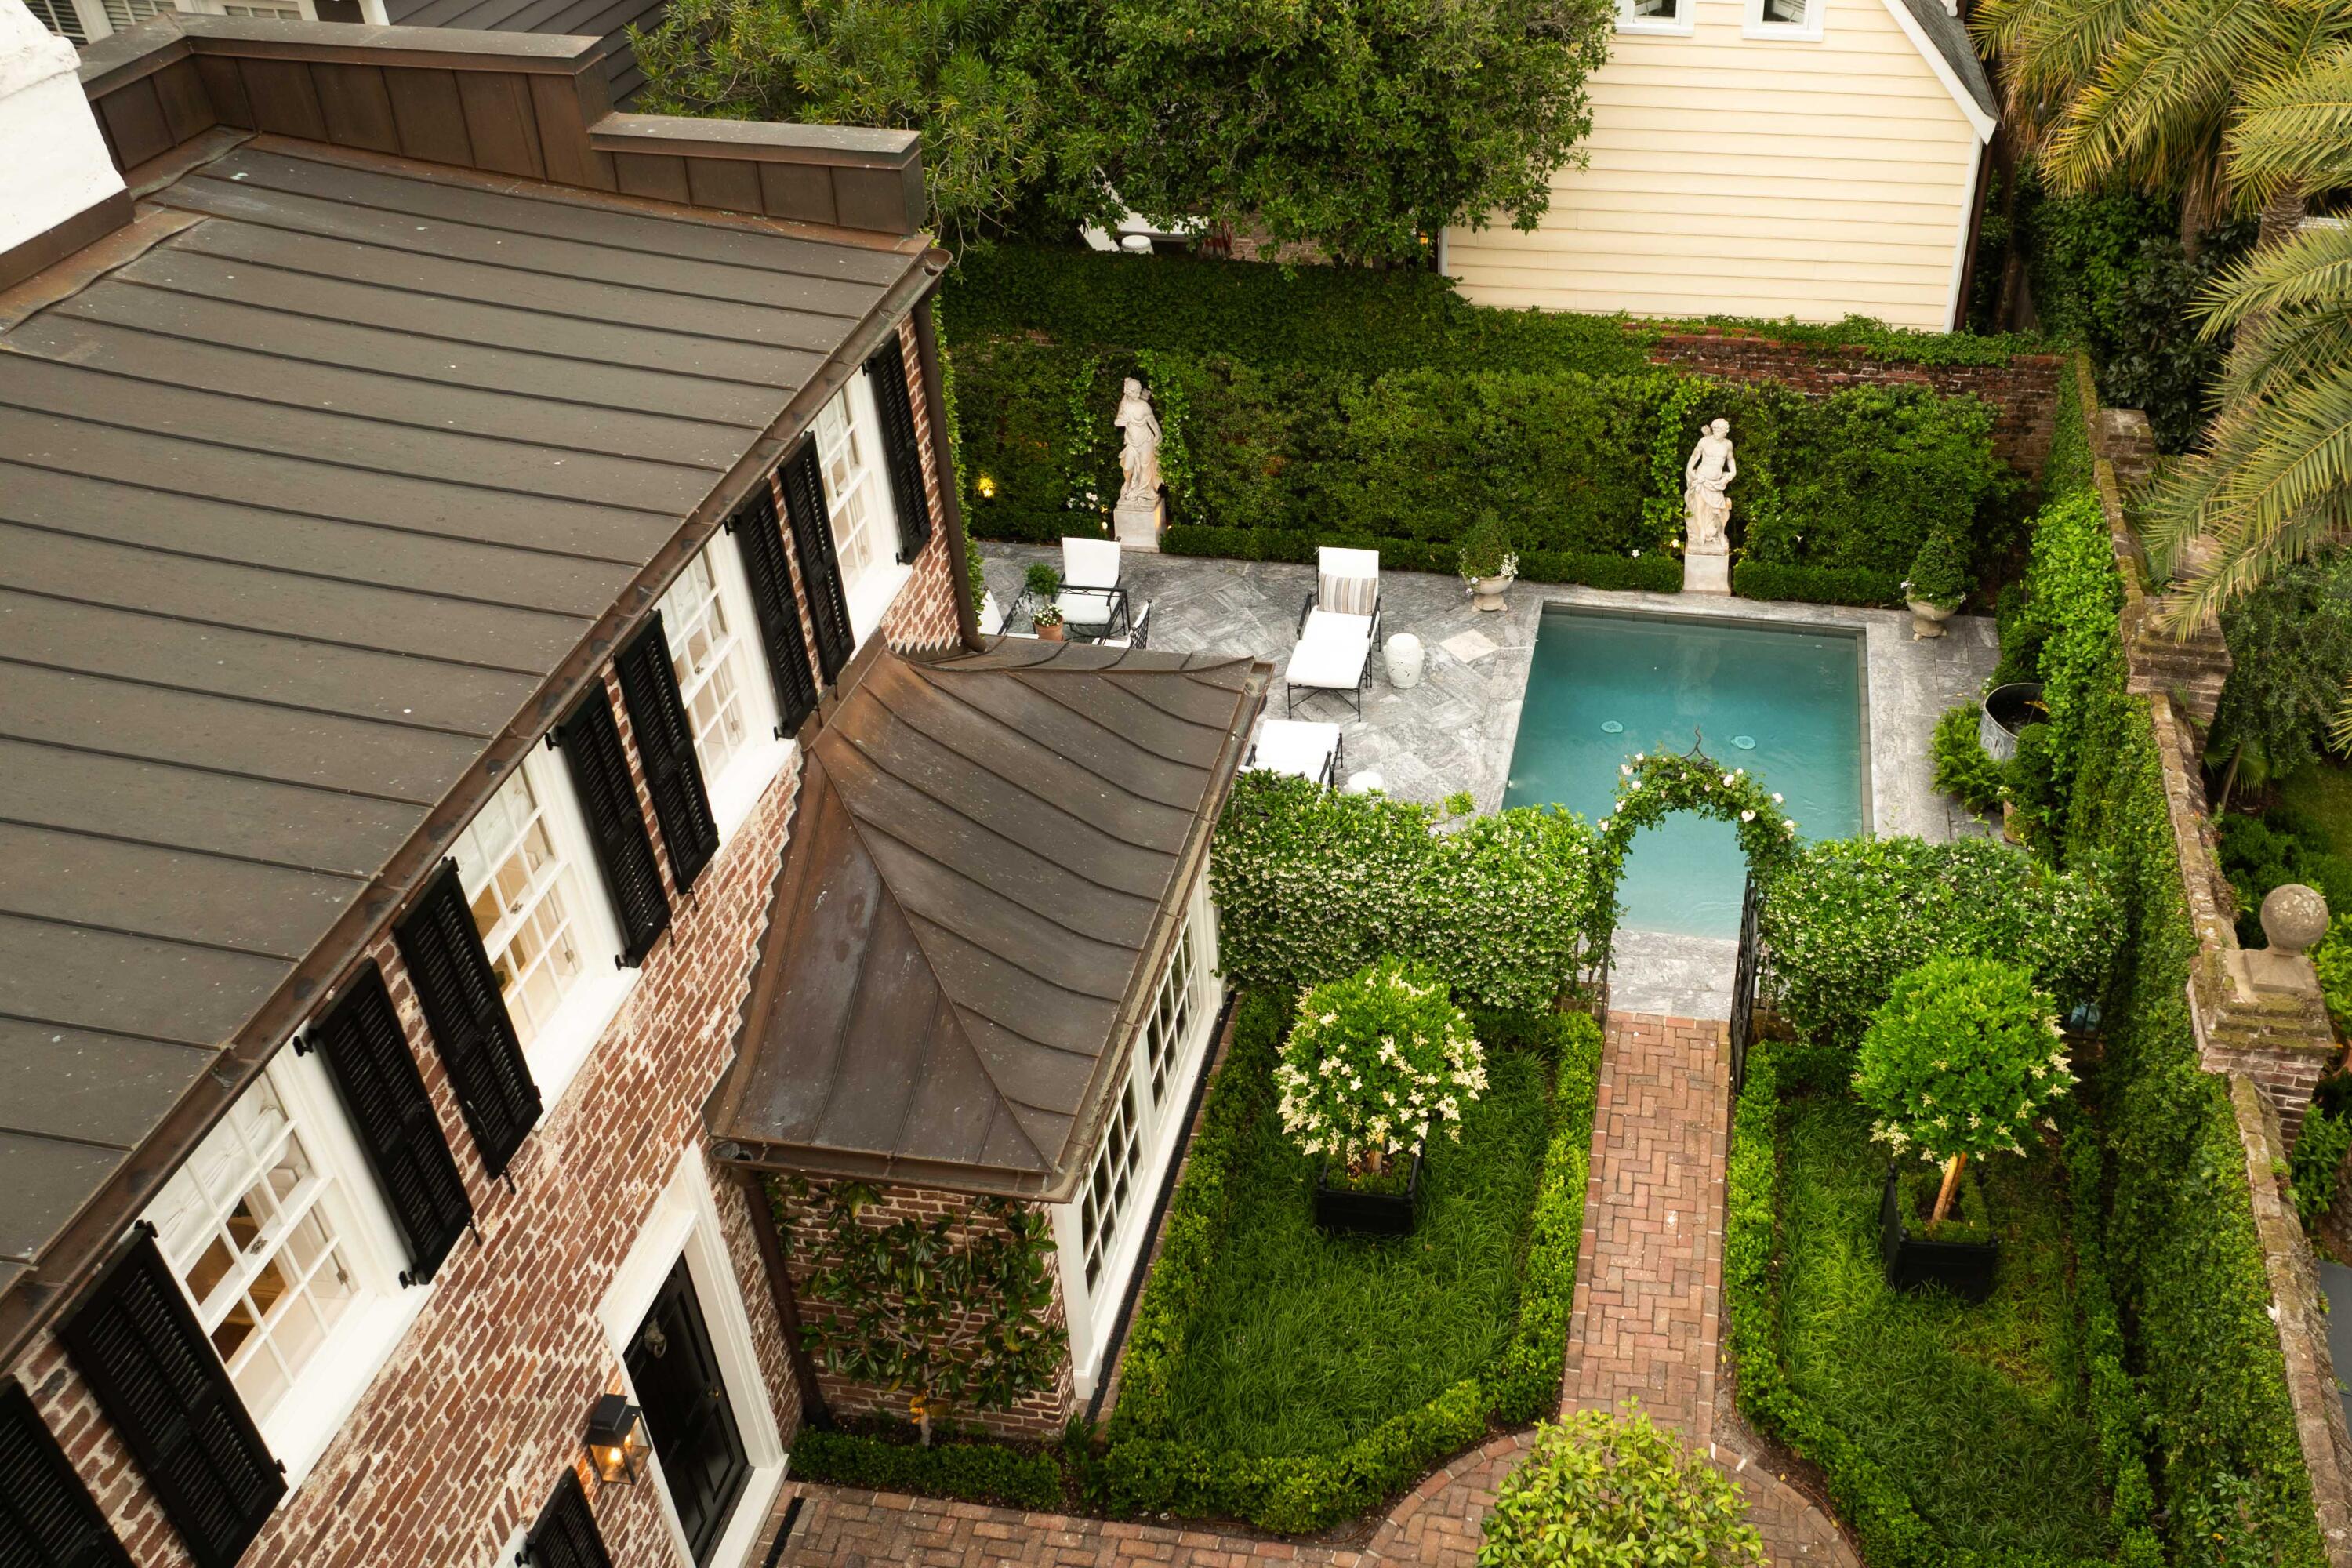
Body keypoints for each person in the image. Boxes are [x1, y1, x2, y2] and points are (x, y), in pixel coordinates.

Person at [1682, 418, 1736, 551]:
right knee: (1699, 509)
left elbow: (1730, 460)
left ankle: (1721, 534)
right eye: (1715, 428)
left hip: (1716, 484)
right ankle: (1701, 533)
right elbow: (1693, 460)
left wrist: (1732, 474)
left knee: (1719, 512)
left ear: (1726, 431)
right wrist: (1691, 473)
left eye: (1720, 429)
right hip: (1702, 479)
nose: (1717, 431)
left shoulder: (1728, 444)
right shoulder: (1704, 442)